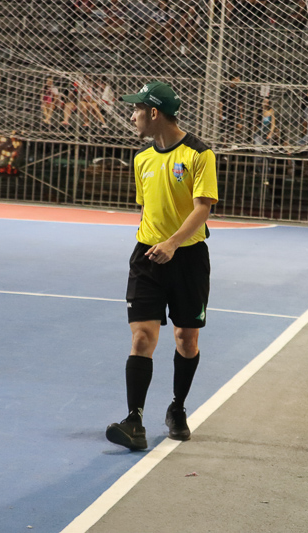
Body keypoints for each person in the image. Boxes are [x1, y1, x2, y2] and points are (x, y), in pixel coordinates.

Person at [106, 81, 218, 450]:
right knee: (142, 337)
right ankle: (134, 421)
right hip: (148, 257)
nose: (132, 116)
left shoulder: (199, 154)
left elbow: (202, 209)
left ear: (154, 113)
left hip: (188, 258)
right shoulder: (141, 159)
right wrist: (155, 244)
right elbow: (147, 208)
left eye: (137, 109)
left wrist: (173, 243)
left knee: (186, 339)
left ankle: (177, 408)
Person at [220, 72, 245, 145]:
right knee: (226, 129)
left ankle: (234, 141)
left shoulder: (239, 90)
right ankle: (225, 144)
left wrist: (241, 113)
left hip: (235, 112)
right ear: (232, 79)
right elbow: (221, 103)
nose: (239, 80)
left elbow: (240, 104)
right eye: (237, 79)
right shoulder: (226, 90)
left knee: (239, 127)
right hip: (226, 112)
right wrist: (220, 113)